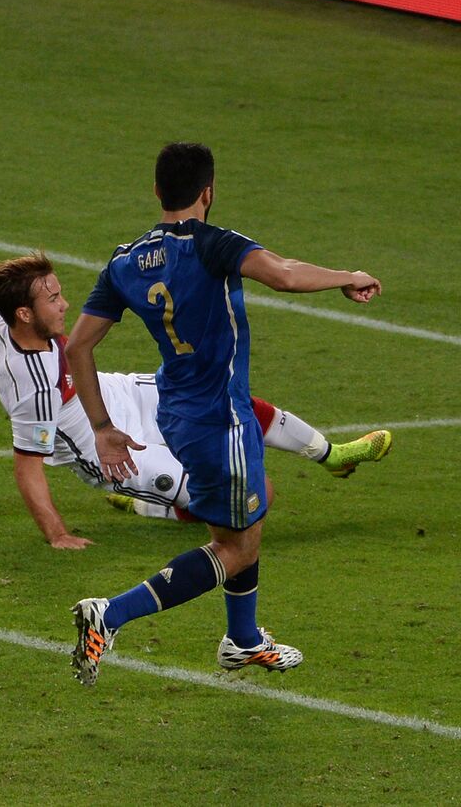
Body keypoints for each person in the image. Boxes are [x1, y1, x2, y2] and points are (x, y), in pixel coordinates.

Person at [66, 142, 384, 685]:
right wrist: (347, 275)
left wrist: (102, 428)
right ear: (208, 193)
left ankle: (242, 639)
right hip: (222, 421)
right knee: (235, 547)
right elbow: (283, 273)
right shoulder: (213, 244)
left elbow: (78, 348)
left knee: (243, 521)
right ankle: (111, 614)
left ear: (157, 191)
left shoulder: (124, 261)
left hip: (177, 410)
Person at [0, 254, 392, 549]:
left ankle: (332, 455)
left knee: (219, 395)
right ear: (24, 314)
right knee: (254, 496)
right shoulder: (34, 389)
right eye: (53, 299)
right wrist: (57, 535)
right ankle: (145, 502)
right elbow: (27, 465)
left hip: (113, 393)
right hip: (101, 447)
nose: (65, 304)